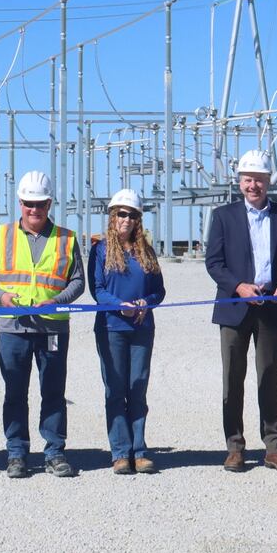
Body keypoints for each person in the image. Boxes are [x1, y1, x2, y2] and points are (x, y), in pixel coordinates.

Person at [204, 149, 277, 472]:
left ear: (268, 182)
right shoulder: (223, 216)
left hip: (272, 307)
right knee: (233, 379)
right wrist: (238, 286)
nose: (254, 186)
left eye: (259, 180)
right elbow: (214, 262)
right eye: (248, 180)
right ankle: (235, 447)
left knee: (269, 377)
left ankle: (274, 447)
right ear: (240, 182)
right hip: (235, 307)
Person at [0, 170, 84, 479]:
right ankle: (16, 453)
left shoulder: (67, 238)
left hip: (52, 328)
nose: (33, 210)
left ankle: (54, 452)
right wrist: (1, 295)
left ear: (49, 204)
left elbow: (78, 281)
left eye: (39, 204)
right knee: (15, 391)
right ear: (19, 203)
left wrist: (58, 300)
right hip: (14, 327)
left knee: (53, 391)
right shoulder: (4, 234)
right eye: (28, 204)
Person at [89, 189, 166, 474]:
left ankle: (140, 449)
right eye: (121, 213)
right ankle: (120, 451)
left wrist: (147, 302)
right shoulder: (99, 251)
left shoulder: (146, 251)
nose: (126, 219)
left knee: (138, 388)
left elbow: (159, 290)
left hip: (141, 329)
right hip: (112, 328)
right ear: (112, 217)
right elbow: (96, 289)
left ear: (138, 220)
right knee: (115, 388)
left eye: (132, 215)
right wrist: (119, 305)